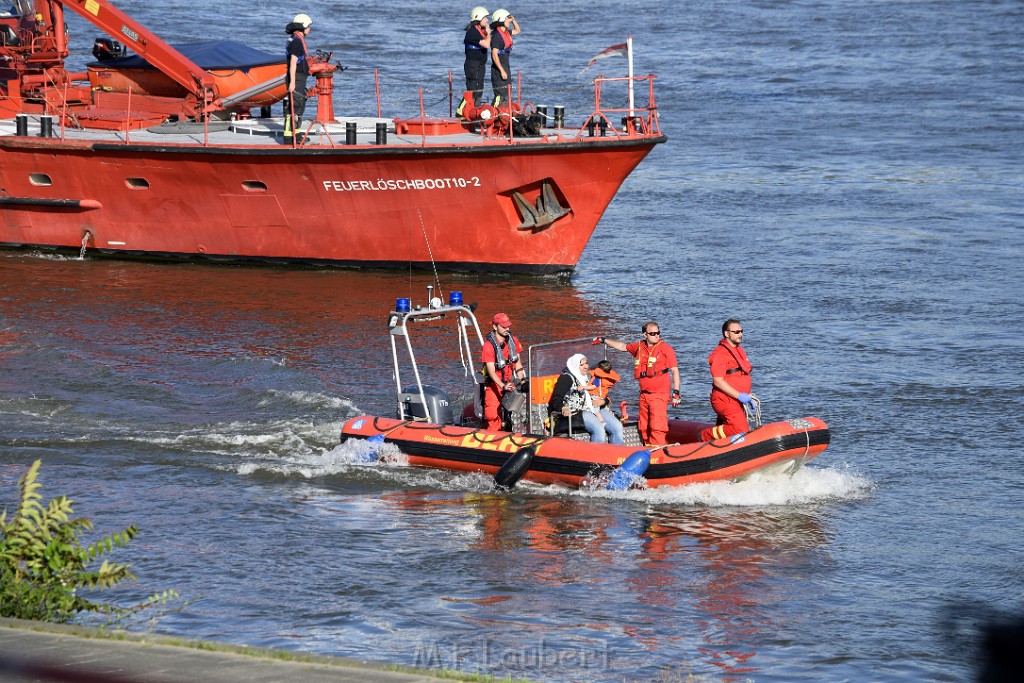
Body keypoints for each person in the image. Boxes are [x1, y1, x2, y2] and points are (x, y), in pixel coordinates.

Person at [595, 321, 681, 446]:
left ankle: (658, 452)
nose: (656, 336)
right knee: (644, 425)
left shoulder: (666, 349)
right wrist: (604, 340)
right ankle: (646, 448)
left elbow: (674, 370)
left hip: (659, 394)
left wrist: (676, 392)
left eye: (658, 333)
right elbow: (622, 346)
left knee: (658, 426)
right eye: (652, 333)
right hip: (644, 394)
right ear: (645, 334)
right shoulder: (639, 346)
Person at [548, 354, 625, 444]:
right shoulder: (566, 378)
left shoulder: (590, 376)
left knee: (617, 427)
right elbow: (557, 398)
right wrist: (563, 408)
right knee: (599, 429)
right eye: (581, 365)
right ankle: (597, 456)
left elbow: (602, 393)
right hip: (577, 411)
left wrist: (603, 401)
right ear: (575, 366)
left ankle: (617, 455)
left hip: (595, 408)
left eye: (586, 363)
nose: (586, 367)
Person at [700, 319, 754, 442]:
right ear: (726, 333)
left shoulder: (738, 350)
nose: (740, 334)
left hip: (736, 399)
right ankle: (705, 436)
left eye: (741, 331)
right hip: (725, 399)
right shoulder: (721, 353)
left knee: (726, 427)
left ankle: (715, 446)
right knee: (740, 429)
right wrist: (739, 395)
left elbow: (740, 375)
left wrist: (747, 395)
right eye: (736, 332)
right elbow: (718, 380)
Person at [480, 312, 526, 431]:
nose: (507, 329)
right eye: (504, 326)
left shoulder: (513, 341)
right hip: (495, 384)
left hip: (510, 382)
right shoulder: (488, 346)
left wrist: (522, 382)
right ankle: (493, 439)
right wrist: (502, 386)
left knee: (516, 414)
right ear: (495, 327)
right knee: (492, 415)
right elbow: (491, 371)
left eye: (508, 326)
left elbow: (518, 363)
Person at [457, 6, 491, 118]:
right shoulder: (472, 32)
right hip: (472, 64)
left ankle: (473, 113)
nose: (487, 21)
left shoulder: (481, 32)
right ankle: (460, 112)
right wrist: (489, 33)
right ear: (479, 18)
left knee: (479, 89)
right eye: (485, 18)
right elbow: (486, 44)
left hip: (480, 64)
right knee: (472, 90)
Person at [284, 13, 313, 143]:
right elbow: (293, 63)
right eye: (308, 26)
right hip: (297, 78)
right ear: (303, 27)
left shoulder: (295, 39)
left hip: (298, 77)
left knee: (296, 106)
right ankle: (292, 137)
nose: (310, 29)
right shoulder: (297, 42)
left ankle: (295, 134)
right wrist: (293, 82)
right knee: (297, 106)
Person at [488, 8, 520, 106]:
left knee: (506, 95)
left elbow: (518, 30)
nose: (509, 22)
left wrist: (513, 20)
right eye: (507, 19)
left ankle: (501, 117)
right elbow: (494, 55)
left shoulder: (506, 33)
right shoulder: (497, 36)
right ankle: (491, 115)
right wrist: (502, 71)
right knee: (500, 95)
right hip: (498, 70)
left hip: (506, 67)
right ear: (501, 20)